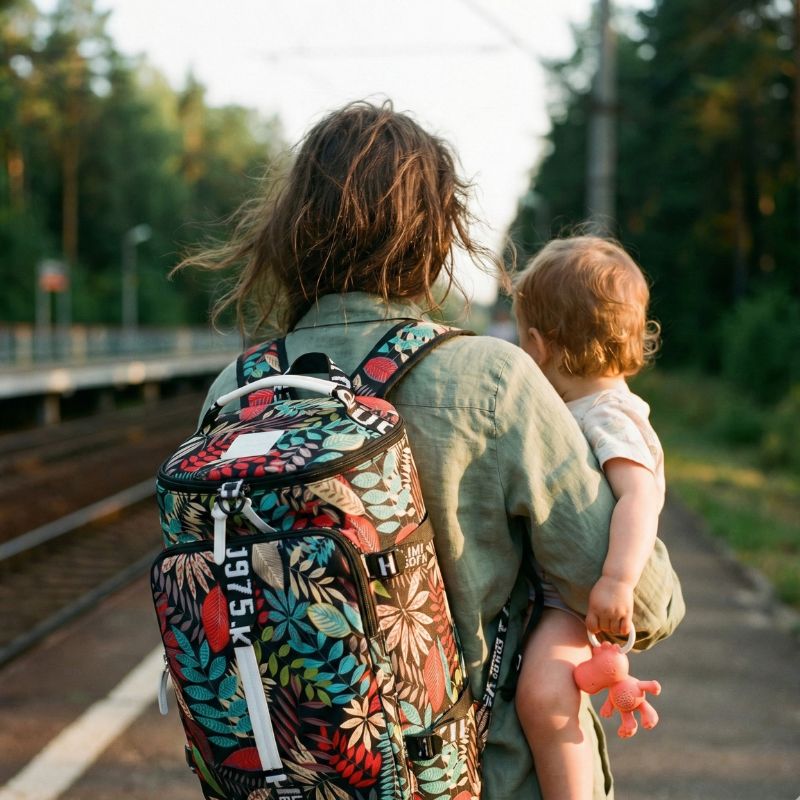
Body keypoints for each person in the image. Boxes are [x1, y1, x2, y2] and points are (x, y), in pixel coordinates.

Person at [178, 100, 683, 799]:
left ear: (290, 229)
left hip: (284, 777)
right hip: (469, 776)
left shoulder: (235, 394)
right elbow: (647, 602)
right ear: (433, 233)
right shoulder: (492, 379)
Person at [512, 236, 665, 800]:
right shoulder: (583, 406)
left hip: (575, 598)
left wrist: (617, 579)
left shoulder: (606, 414)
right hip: (560, 585)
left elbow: (640, 496)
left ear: (538, 346)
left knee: (545, 697)